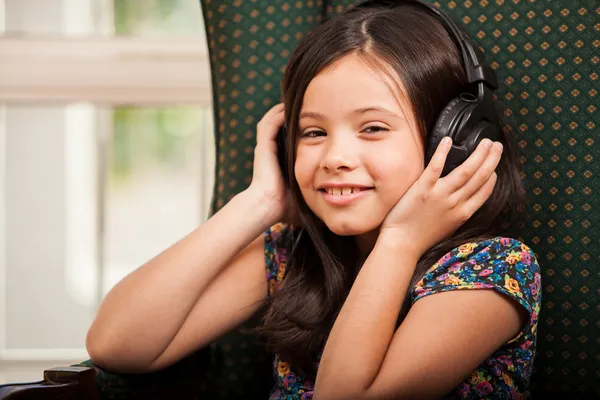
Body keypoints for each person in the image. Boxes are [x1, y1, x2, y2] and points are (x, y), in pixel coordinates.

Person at [86, 1, 542, 399]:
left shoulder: (491, 268)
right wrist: (260, 202)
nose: (335, 157)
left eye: (373, 128)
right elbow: (116, 344)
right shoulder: (296, 256)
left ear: (454, 141)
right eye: (314, 133)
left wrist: (400, 240)